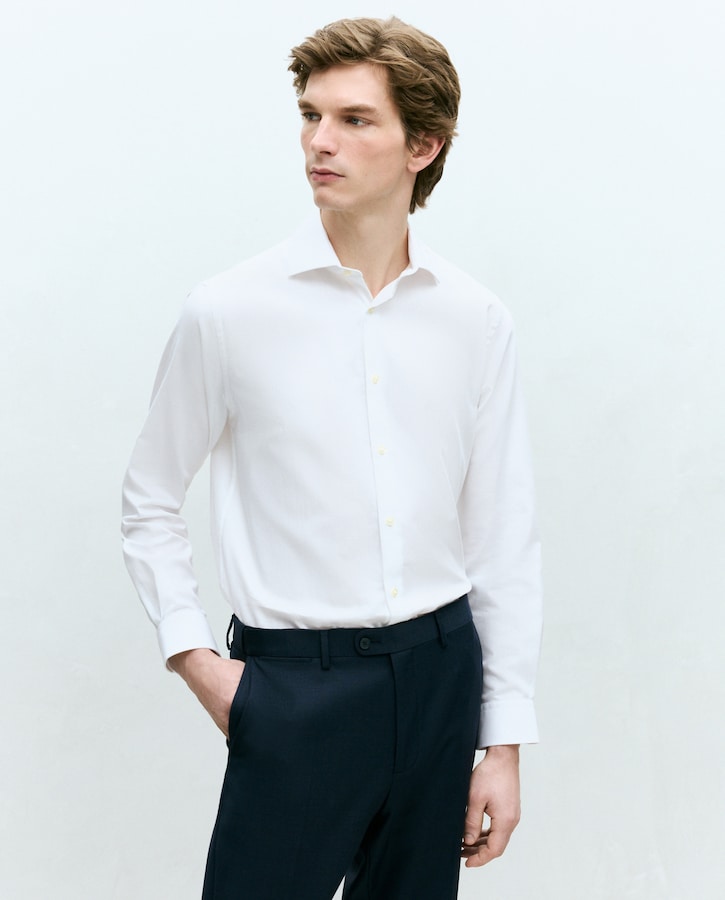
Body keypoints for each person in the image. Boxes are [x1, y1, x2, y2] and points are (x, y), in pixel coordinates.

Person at [121, 15, 542, 900]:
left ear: (422, 145)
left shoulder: (474, 319)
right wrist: (198, 663)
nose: (319, 141)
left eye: (354, 119)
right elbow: (149, 499)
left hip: (438, 677)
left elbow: (500, 534)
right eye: (311, 115)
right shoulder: (229, 311)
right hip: (291, 689)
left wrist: (501, 741)